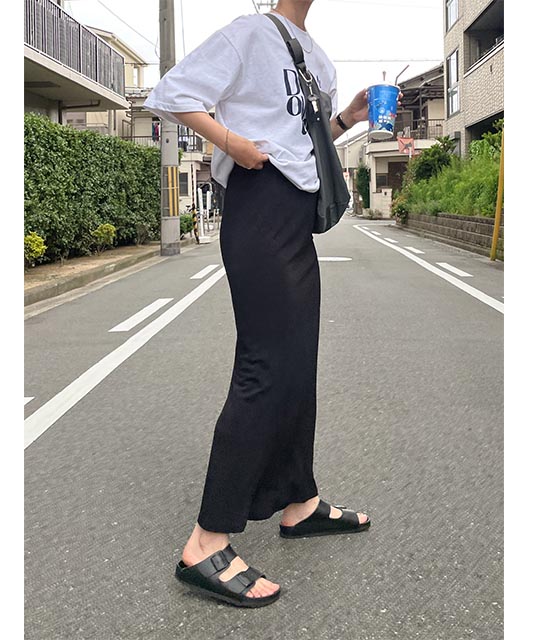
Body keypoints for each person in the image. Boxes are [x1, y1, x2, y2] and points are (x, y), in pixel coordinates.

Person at [144, 0, 373, 608]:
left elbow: (306, 145)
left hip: (296, 215)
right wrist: (233, 144)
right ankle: (206, 541)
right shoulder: (249, 34)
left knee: (298, 364)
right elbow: (173, 93)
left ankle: (299, 500)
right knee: (265, 368)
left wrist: (345, 118)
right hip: (258, 208)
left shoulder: (318, 58)